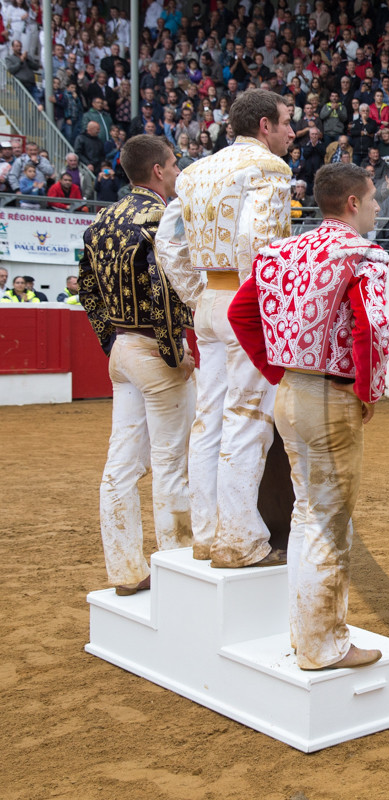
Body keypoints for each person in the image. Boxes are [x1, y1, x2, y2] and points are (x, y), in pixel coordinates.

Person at [227, 162, 389, 671]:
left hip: (292, 396)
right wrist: (369, 392)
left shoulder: (279, 251)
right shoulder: (363, 254)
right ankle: (324, 645)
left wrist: (278, 372)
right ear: (351, 204)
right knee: (329, 522)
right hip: (330, 397)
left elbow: (239, 313)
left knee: (305, 513)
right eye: (372, 199)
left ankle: (306, 633)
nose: (376, 207)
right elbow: (374, 328)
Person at [155, 88, 295, 567]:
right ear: (263, 126)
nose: (291, 132)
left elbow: (168, 244)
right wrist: (259, 304)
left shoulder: (193, 172)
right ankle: (240, 539)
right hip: (244, 300)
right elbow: (260, 240)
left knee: (208, 417)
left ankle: (207, 532)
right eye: (286, 122)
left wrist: (198, 294)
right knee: (248, 416)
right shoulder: (271, 170)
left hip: (209, 303)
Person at [77, 135, 194, 597]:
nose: (178, 170)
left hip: (122, 352)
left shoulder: (101, 220)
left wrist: (111, 338)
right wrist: (172, 351)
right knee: (170, 463)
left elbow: (86, 288)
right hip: (155, 353)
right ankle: (176, 567)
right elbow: (162, 289)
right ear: (159, 171)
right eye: (175, 163)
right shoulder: (159, 218)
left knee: (120, 467)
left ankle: (126, 572)